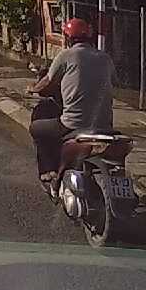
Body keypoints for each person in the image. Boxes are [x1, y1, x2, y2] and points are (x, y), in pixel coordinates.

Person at [27, 18, 115, 182]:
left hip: (74, 124)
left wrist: (32, 88)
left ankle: (48, 170)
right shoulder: (105, 58)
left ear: (68, 38)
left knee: (37, 128)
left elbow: (47, 83)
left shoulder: (66, 55)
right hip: (105, 124)